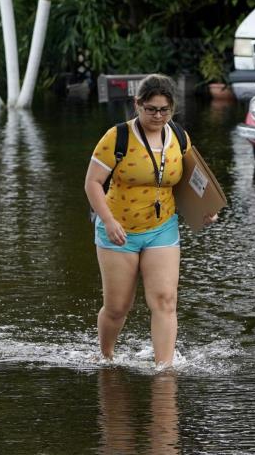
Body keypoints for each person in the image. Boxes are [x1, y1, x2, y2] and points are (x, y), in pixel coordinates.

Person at [84, 74, 217, 367]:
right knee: (118, 308)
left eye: (164, 110)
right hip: (119, 228)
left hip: (162, 229)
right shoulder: (116, 137)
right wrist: (107, 221)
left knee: (165, 300)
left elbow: (189, 183)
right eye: (151, 109)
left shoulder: (179, 137)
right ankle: (105, 357)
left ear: (173, 109)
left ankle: (164, 369)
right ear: (137, 104)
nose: (158, 116)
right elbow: (92, 183)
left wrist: (205, 209)